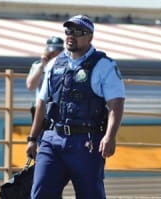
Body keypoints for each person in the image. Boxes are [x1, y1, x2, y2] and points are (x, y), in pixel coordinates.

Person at [26, 15, 125, 199]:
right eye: (69, 31)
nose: (71, 35)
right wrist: (32, 138)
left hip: (86, 142)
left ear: (90, 37)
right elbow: (41, 102)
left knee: (90, 195)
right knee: (40, 194)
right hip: (52, 139)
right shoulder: (55, 63)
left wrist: (110, 136)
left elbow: (116, 104)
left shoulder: (104, 65)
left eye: (79, 32)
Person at [26, 36, 64, 120]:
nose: (55, 55)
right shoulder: (38, 65)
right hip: (41, 108)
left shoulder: (66, 65)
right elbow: (31, 86)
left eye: (58, 52)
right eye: (52, 52)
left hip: (60, 109)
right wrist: (42, 66)